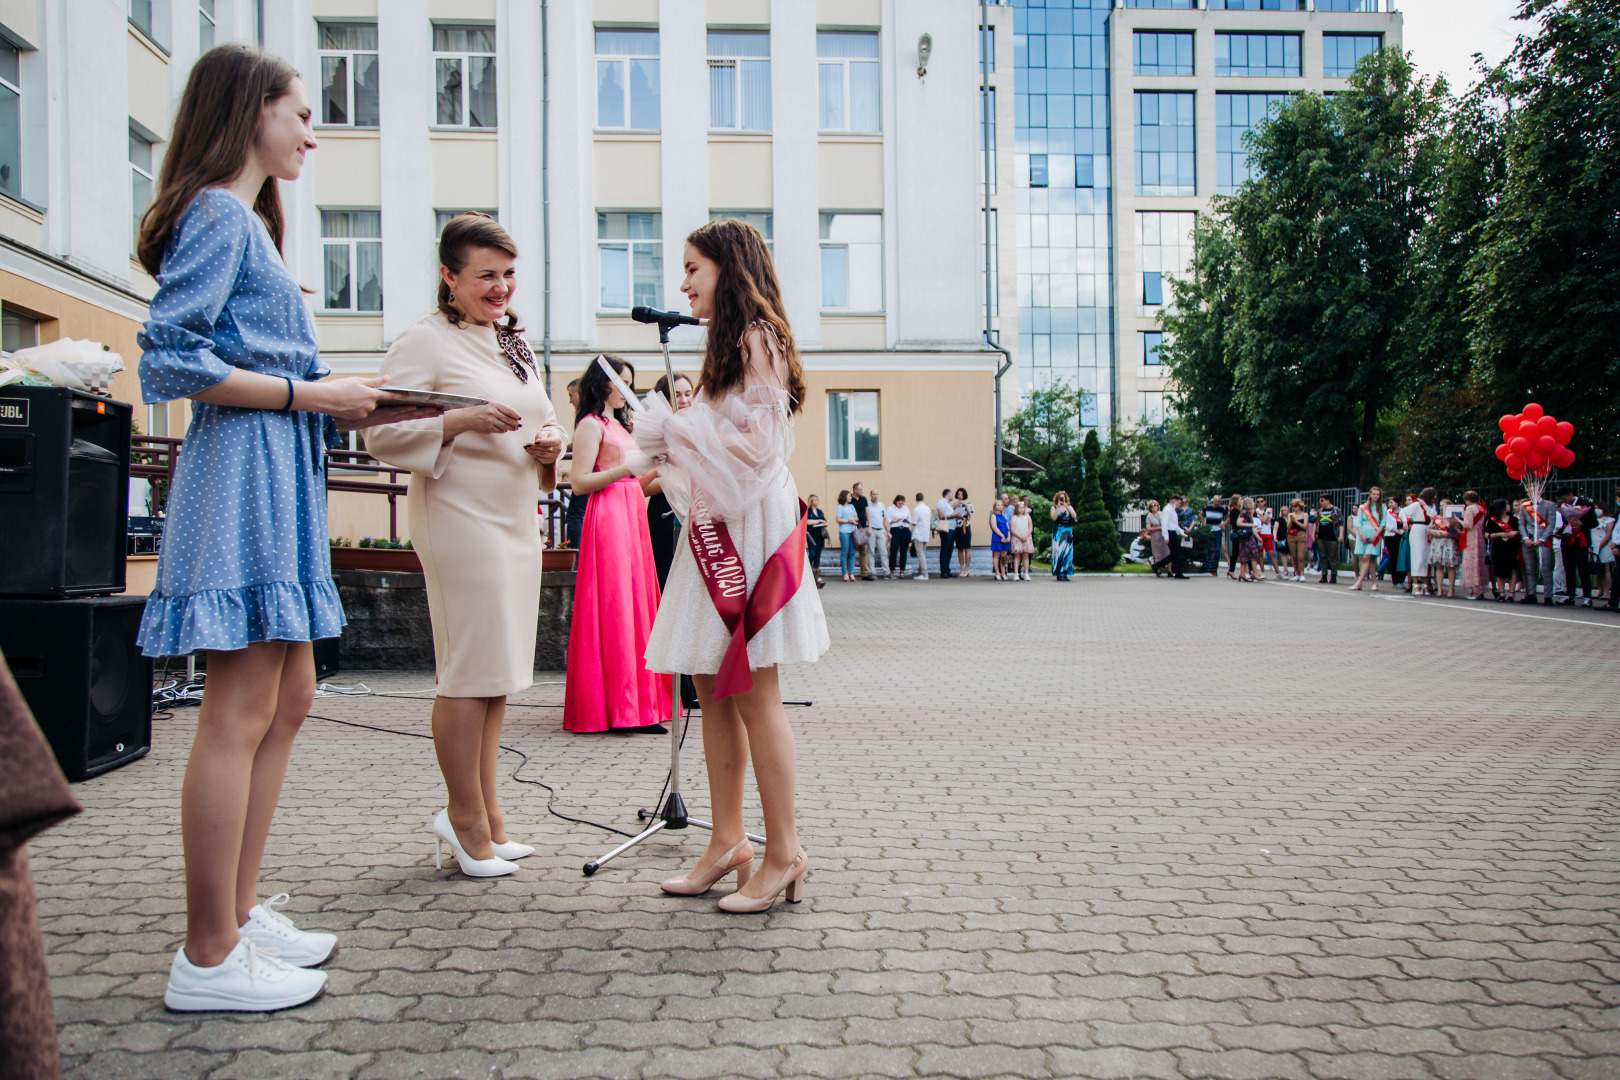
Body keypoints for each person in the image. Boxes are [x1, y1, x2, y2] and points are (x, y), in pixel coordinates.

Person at [134, 46, 443, 1011]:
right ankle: (207, 954)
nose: (314, 129)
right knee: (238, 708)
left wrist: (332, 401)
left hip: (273, 465)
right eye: (300, 111)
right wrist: (313, 392)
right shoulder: (221, 213)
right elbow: (169, 360)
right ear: (248, 111)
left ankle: (232, 913)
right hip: (245, 472)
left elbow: (233, 360)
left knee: (292, 694)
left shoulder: (242, 219)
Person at [632, 216, 830, 912]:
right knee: (709, 685)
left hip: (751, 530)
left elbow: (756, 451)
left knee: (753, 690)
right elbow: (720, 447)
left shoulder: (757, 338)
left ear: (730, 266)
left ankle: (783, 852)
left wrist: (677, 431)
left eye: (693, 267)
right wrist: (667, 448)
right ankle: (726, 840)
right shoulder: (725, 346)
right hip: (721, 523)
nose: (683, 282)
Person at [367, 212, 570, 875]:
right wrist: (460, 420)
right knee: (466, 672)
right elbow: (381, 435)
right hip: (461, 521)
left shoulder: (514, 342)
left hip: (513, 519)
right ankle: (462, 821)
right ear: (449, 276)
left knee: (498, 673)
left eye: (509, 275)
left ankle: (489, 815)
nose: (502, 288)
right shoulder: (424, 341)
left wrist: (549, 446)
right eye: (486, 276)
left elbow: (544, 424)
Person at [559, 355, 672, 734]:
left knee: (637, 605)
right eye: (621, 383)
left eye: (630, 384)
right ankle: (616, 708)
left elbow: (636, 485)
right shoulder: (591, 425)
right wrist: (629, 467)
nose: (627, 391)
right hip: (607, 517)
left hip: (630, 513)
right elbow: (579, 483)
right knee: (616, 607)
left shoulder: (619, 425)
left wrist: (664, 469)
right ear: (603, 383)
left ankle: (639, 707)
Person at [645, 373, 704, 705]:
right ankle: (679, 688)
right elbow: (639, 484)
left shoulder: (697, 429)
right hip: (666, 515)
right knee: (672, 595)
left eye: (687, 393)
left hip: (694, 515)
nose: (684, 399)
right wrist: (667, 473)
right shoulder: (658, 434)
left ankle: (694, 683)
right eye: (677, 395)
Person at [1554, 490, 1595, 606]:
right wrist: (1560, 531)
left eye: (1564, 498)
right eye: (1561, 499)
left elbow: (1593, 522)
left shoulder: (1586, 504)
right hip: (1567, 539)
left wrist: (1581, 524)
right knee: (1569, 568)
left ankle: (1587, 596)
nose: (1563, 501)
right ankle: (1570, 595)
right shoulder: (1563, 507)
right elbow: (1564, 523)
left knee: (1583, 568)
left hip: (1581, 539)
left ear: (1570, 494)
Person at [1518, 491, 1557, 604]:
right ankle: (1531, 594)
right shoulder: (1525, 506)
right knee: (1530, 569)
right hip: (1528, 540)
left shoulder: (1549, 505)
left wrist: (1542, 539)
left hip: (1543, 541)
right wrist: (1525, 538)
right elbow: (1522, 523)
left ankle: (1548, 596)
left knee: (1545, 569)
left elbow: (1551, 524)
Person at [1347, 487, 1385, 591]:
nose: (1376, 496)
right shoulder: (1363, 507)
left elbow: (1382, 524)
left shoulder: (1382, 507)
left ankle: (1359, 582)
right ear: (1370, 494)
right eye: (1374, 494)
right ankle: (1374, 583)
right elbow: (1358, 522)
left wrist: (1375, 536)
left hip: (1375, 535)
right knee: (1370, 560)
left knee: (1366, 558)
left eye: (1378, 494)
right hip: (1362, 534)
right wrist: (1361, 534)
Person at [1486, 499, 1521, 602]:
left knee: (1512, 568)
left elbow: (1519, 531)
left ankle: (1511, 593)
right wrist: (1500, 534)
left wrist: (1514, 533)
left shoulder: (1514, 520)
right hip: (1498, 546)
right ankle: (1501, 593)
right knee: (1499, 570)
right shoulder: (1492, 521)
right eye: (1507, 504)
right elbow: (1488, 535)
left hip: (1512, 546)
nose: (1509, 506)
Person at [1403, 490, 1435, 596]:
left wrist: (1425, 506)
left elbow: (1433, 515)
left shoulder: (1430, 506)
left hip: (1427, 530)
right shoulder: (1416, 504)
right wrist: (1404, 523)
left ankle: (1425, 585)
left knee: (1426, 558)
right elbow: (1403, 512)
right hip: (1417, 529)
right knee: (1417, 557)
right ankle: (1415, 585)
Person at [1429, 496, 1461, 599]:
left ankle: (1451, 589)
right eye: (1441, 506)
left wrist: (1447, 533)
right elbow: (1429, 529)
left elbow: (1457, 532)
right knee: (1439, 566)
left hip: (1449, 544)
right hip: (1438, 543)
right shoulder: (1437, 518)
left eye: (1444, 506)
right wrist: (1436, 532)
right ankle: (1439, 588)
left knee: (1450, 566)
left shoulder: (1454, 519)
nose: (1442, 508)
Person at [1459, 490, 1488, 601]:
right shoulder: (1481, 508)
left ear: (1468, 500)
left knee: (1471, 561)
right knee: (1478, 562)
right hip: (1479, 537)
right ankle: (1478, 589)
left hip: (1471, 537)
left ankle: (1475, 590)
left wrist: (1459, 520)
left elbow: (1468, 524)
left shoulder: (1469, 508)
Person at [1152, 495, 1188, 578]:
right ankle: (1178, 574)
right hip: (1170, 534)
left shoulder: (1172, 510)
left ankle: (1156, 565)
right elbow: (1164, 524)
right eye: (1179, 502)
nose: (1180, 504)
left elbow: (1175, 525)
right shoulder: (1168, 510)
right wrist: (1166, 537)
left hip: (1173, 533)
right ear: (1174, 501)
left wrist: (1182, 533)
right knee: (1178, 554)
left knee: (1174, 554)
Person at [1382, 493, 1409, 589]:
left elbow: (1405, 522)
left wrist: (1403, 528)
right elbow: (1385, 524)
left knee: (1401, 558)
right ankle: (1395, 580)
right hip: (1391, 536)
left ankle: (1401, 579)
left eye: (1391, 502)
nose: (1390, 504)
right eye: (1389, 502)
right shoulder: (1387, 512)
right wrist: (1397, 531)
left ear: (1397, 503)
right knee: (1394, 558)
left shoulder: (1402, 511)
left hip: (1402, 536)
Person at [1315, 496, 1342, 584]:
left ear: (1328, 500)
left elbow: (1341, 522)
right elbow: (1316, 522)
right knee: (1323, 557)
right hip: (1321, 536)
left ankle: (1333, 575)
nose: (1320, 502)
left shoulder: (1335, 510)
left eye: (1322, 500)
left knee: (1333, 557)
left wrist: (1341, 535)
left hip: (1332, 536)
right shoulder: (1320, 510)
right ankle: (1324, 575)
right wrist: (1314, 534)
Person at [1050, 492, 1076, 581]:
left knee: (1067, 552)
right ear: (1057, 499)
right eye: (1060, 498)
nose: (1062, 499)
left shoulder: (1069, 507)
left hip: (1068, 531)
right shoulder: (1054, 507)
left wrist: (1066, 506)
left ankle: (1065, 572)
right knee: (1059, 551)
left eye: (1063, 498)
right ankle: (1059, 573)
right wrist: (1058, 508)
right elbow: (1054, 518)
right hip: (1058, 531)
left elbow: (1074, 515)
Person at [1255, 497, 1281, 579]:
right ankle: (1263, 572)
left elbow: (1266, 521)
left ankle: (1278, 573)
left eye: (1262, 501)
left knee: (1272, 553)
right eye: (1258, 502)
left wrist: (1263, 517)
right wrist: (1266, 515)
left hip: (1268, 533)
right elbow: (1263, 521)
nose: (1260, 503)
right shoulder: (1256, 511)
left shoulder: (1268, 510)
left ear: (1265, 502)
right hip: (1260, 534)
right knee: (1260, 554)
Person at [886, 494, 912, 577]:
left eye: (902, 503)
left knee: (904, 550)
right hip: (895, 529)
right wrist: (895, 521)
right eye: (899, 503)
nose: (900, 505)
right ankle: (892, 569)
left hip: (904, 529)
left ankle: (902, 570)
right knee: (894, 549)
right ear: (896, 502)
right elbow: (887, 519)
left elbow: (910, 520)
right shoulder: (890, 508)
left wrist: (907, 521)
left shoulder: (906, 508)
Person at [835, 490, 858, 582]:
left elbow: (857, 517)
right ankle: (845, 573)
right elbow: (838, 519)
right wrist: (848, 520)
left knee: (852, 552)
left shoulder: (852, 506)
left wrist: (853, 519)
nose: (851, 497)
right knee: (845, 552)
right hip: (844, 531)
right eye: (849, 496)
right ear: (844, 497)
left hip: (853, 530)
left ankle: (851, 573)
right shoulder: (840, 507)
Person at [1283, 499, 1309, 582]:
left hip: (1301, 534)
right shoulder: (1291, 514)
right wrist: (1290, 520)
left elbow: (1305, 526)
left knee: (1300, 556)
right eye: (1293, 506)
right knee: (1293, 556)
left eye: (1296, 506)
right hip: (1291, 535)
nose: (1294, 508)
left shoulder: (1305, 515)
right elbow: (1288, 527)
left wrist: (1295, 521)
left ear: (1300, 506)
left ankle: (1301, 573)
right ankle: (1296, 573)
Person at [850, 482, 872, 580]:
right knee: (851, 551)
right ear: (855, 490)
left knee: (863, 551)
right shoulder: (849, 499)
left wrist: (869, 527)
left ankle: (865, 573)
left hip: (863, 528)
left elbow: (867, 513)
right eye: (860, 489)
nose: (862, 491)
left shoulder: (863, 499)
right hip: (852, 528)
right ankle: (849, 573)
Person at [805, 494, 828, 588]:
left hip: (819, 536)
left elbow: (824, 521)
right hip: (811, 536)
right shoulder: (808, 511)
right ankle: (809, 571)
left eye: (817, 500)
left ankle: (817, 575)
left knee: (818, 555)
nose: (817, 502)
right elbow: (807, 522)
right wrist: (818, 521)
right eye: (815, 500)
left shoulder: (820, 511)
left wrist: (823, 522)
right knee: (812, 554)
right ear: (811, 501)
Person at [1008, 500, 1034, 580]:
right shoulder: (1014, 518)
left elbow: (1030, 528)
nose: (1022, 509)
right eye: (1020, 508)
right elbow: (1012, 529)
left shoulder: (1027, 517)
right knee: (1017, 555)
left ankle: (1026, 573)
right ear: (1017, 509)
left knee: (1026, 555)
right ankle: (1016, 573)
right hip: (1017, 538)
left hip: (1026, 537)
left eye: (1023, 508)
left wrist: (1025, 536)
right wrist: (1020, 536)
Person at [866, 489, 889, 579]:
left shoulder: (881, 505)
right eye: (873, 494)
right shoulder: (867, 505)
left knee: (884, 551)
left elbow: (884, 519)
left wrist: (888, 531)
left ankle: (886, 572)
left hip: (880, 530)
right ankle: (872, 572)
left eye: (877, 494)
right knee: (871, 551)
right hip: (871, 530)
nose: (875, 496)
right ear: (870, 495)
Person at [936, 489, 959, 577]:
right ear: (948, 494)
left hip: (952, 528)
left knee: (949, 550)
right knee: (945, 549)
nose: (953, 496)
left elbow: (948, 513)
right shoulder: (941, 502)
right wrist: (954, 515)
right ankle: (943, 571)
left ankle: (947, 569)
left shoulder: (947, 504)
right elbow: (941, 516)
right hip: (946, 529)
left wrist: (954, 510)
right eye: (952, 494)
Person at [953, 488, 974, 578]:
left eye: (961, 494)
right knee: (959, 549)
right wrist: (954, 508)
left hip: (965, 526)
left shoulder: (969, 504)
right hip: (957, 527)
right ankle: (961, 568)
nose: (960, 496)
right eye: (959, 494)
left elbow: (971, 514)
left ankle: (967, 568)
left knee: (967, 548)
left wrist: (966, 505)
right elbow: (951, 514)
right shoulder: (955, 504)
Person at [1202, 495, 1226, 576]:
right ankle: (1207, 567)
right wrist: (1204, 524)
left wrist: (1224, 524)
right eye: (1216, 501)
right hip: (1209, 530)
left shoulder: (1221, 509)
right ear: (1213, 501)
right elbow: (1201, 514)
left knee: (1217, 550)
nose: (1218, 503)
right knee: (1208, 550)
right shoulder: (1207, 508)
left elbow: (1229, 516)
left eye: (1219, 501)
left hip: (1218, 530)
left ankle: (1214, 569)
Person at [911, 492, 932, 580]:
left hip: (918, 534)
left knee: (920, 554)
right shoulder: (927, 508)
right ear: (923, 499)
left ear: (916, 499)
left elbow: (914, 523)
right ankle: (921, 571)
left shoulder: (916, 509)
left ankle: (924, 573)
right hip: (925, 533)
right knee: (923, 553)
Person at [989, 497, 1010, 580]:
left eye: (1002, 505)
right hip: (998, 537)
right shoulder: (993, 516)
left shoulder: (1004, 516)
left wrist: (1008, 536)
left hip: (1005, 538)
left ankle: (1003, 572)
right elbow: (994, 527)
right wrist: (1001, 536)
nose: (1000, 506)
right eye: (998, 505)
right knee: (997, 555)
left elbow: (1007, 527)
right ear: (995, 506)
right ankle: (997, 572)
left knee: (1003, 556)